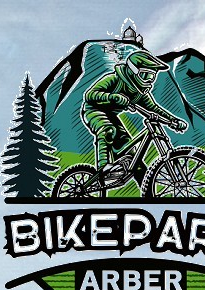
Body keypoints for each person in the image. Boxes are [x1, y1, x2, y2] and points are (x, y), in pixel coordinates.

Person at [78, 28, 182, 188]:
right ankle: (104, 168)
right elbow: (90, 95)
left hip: (111, 115)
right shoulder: (114, 79)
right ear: (133, 71)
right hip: (94, 110)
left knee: (133, 157)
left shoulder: (140, 92)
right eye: (145, 75)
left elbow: (154, 108)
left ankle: (147, 191)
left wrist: (172, 121)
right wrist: (115, 97)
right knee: (107, 130)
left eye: (152, 77)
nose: (149, 81)